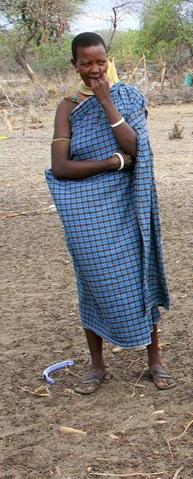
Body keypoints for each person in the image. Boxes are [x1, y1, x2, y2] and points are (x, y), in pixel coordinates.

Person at [46, 32, 174, 395]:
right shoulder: (68, 107)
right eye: (85, 63)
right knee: (91, 282)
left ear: (109, 59)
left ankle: (155, 361)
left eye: (100, 61)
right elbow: (60, 167)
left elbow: (137, 147)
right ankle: (98, 366)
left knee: (139, 275)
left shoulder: (128, 97)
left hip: (127, 205)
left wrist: (106, 101)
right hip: (86, 213)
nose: (94, 69)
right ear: (74, 65)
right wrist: (112, 163)